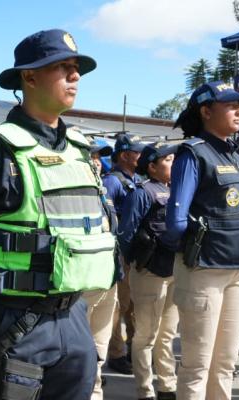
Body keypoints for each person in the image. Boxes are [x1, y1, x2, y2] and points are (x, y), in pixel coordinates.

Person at [0, 29, 114, 399]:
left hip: (74, 316)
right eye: (63, 67)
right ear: (29, 77)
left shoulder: (80, 151)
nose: (75, 75)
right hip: (11, 321)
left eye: (76, 68)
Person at [163, 81, 239, 400]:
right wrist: (190, 254)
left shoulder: (237, 156)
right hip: (204, 271)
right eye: (230, 106)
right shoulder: (193, 153)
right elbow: (176, 221)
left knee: (226, 363)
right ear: (206, 111)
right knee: (197, 365)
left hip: (238, 270)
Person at [118, 142, 179, 400]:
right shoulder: (142, 193)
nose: (173, 163)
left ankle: (167, 386)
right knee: (145, 336)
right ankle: (145, 390)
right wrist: (134, 264)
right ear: (152, 167)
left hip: (173, 272)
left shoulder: (175, 190)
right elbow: (126, 233)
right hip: (150, 273)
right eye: (168, 160)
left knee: (167, 335)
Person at [102, 133, 144, 375]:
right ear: (124, 155)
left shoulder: (137, 179)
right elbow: (106, 217)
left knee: (134, 304)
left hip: (137, 251)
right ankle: (116, 353)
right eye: (137, 151)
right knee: (120, 304)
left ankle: (133, 349)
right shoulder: (112, 181)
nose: (141, 155)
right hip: (119, 251)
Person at [81, 138, 119, 400]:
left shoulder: (103, 189)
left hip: (108, 279)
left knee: (99, 349)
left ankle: (95, 393)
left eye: (98, 157)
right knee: (81, 350)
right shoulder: (70, 192)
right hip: (83, 282)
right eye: (90, 156)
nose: (96, 162)